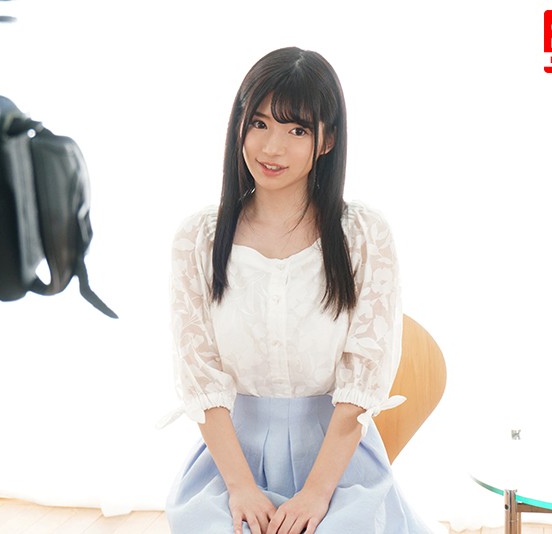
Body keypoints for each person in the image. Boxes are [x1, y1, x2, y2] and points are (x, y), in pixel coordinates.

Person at [162, 47, 432, 534]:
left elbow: (363, 376)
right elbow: (200, 376)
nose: (272, 147)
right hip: (231, 466)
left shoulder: (363, 234)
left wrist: (316, 494)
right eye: (259, 123)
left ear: (327, 140)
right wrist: (241, 489)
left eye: (297, 130)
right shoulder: (199, 238)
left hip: (338, 465)